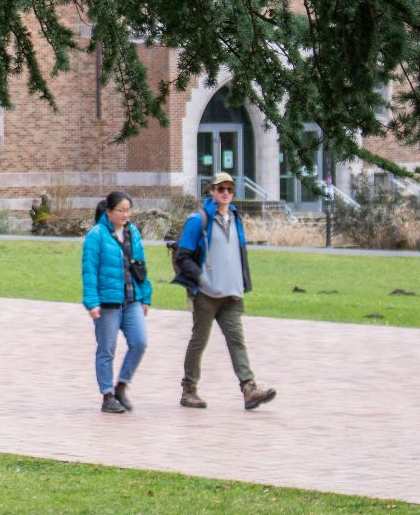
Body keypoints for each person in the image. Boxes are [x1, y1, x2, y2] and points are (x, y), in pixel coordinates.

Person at [172, 171, 276, 410]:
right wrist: (201, 280)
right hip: (206, 295)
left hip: (231, 293)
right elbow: (183, 255)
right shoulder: (199, 220)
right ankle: (189, 389)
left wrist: (242, 283)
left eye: (229, 189)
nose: (226, 193)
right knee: (199, 340)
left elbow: (238, 254)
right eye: (221, 189)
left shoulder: (236, 218)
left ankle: (249, 389)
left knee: (237, 341)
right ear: (211, 192)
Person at [81, 190, 152, 414]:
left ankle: (121, 385)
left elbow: (141, 266)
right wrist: (92, 302)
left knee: (140, 342)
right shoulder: (97, 235)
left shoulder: (133, 233)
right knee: (106, 350)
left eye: (128, 210)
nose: (125, 214)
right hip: (108, 302)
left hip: (132, 299)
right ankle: (107, 395)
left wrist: (146, 296)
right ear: (109, 211)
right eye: (121, 210)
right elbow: (89, 271)